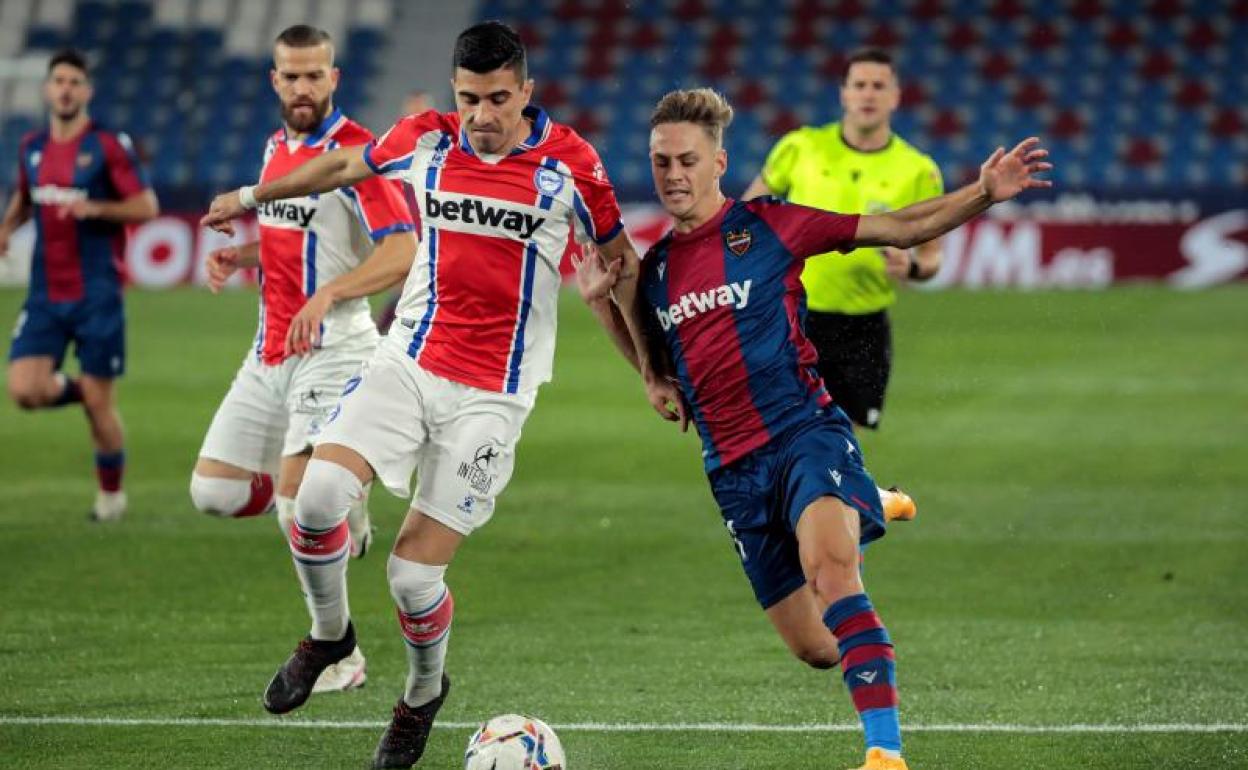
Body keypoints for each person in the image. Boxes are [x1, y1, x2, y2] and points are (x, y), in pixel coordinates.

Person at [201, 21, 670, 769]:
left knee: (413, 578)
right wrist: (251, 195)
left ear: (526, 92)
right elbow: (341, 165)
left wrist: (649, 367)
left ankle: (421, 695)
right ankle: (330, 637)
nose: (481, 115)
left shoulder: (571, 164)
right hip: (409, 361)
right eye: (469, 99)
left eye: (497, 99)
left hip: (494, 394)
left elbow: (622, 266)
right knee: (316, 501)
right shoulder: (426, 137)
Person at [578, 88, 1050, 770]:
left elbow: (899, 228)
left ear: (719, 163)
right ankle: (868, 499)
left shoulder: (771, 225)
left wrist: (981, 193)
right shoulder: (655, 273)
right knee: (819, 648)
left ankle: (884, 753)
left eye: (687, 160)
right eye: (661, 162)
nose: (673, 175)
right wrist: (604, 312)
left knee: (833, 576)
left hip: (805, 434)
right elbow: (661, 373)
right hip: (733, 471)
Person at [189, 24, 417, 696]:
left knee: (296, 508)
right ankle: (342, 505)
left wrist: (330, 294)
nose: (303, 87)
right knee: (214, 493)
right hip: (269, 350)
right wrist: (242, 256)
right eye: (291, 76)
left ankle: (340, 652)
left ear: (334, 78)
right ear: (274, 80)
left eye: (315, 75)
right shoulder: (274, 149)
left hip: (335, 348)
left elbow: (402, 250)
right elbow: (296, 240)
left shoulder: (357, 153)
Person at [743, 48, 944, 431]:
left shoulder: (918, 171)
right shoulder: (800, 147)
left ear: (895, 96)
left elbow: (933, 257)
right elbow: (747, 217)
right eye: (860, 85)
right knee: (787, 433)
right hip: (793, 316)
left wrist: (914, 267)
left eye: (878, 86)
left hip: (864, 329)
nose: (868, 94)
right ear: (844, 93)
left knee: (845, 443)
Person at [0, 49, 158, 522]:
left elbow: (146, 206)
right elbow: (26, 197)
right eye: (59, 81)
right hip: (45, 295)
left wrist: (97, 209)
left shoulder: (107, 145)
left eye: (74, 82)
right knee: (24, 390)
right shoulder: (32, 146)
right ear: (47, 89)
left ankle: (111, 497)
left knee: (100, 408)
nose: (66, 90)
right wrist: (7, 227)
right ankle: (81, 390)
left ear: (87, 91)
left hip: (97, 295)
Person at [375, 90, 437, 334]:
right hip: (405, 235)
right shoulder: (390, 155)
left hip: (436, 239)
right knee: (405, 297)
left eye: (421, 114)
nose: (415, 121)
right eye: (411, 114)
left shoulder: (445, 155)